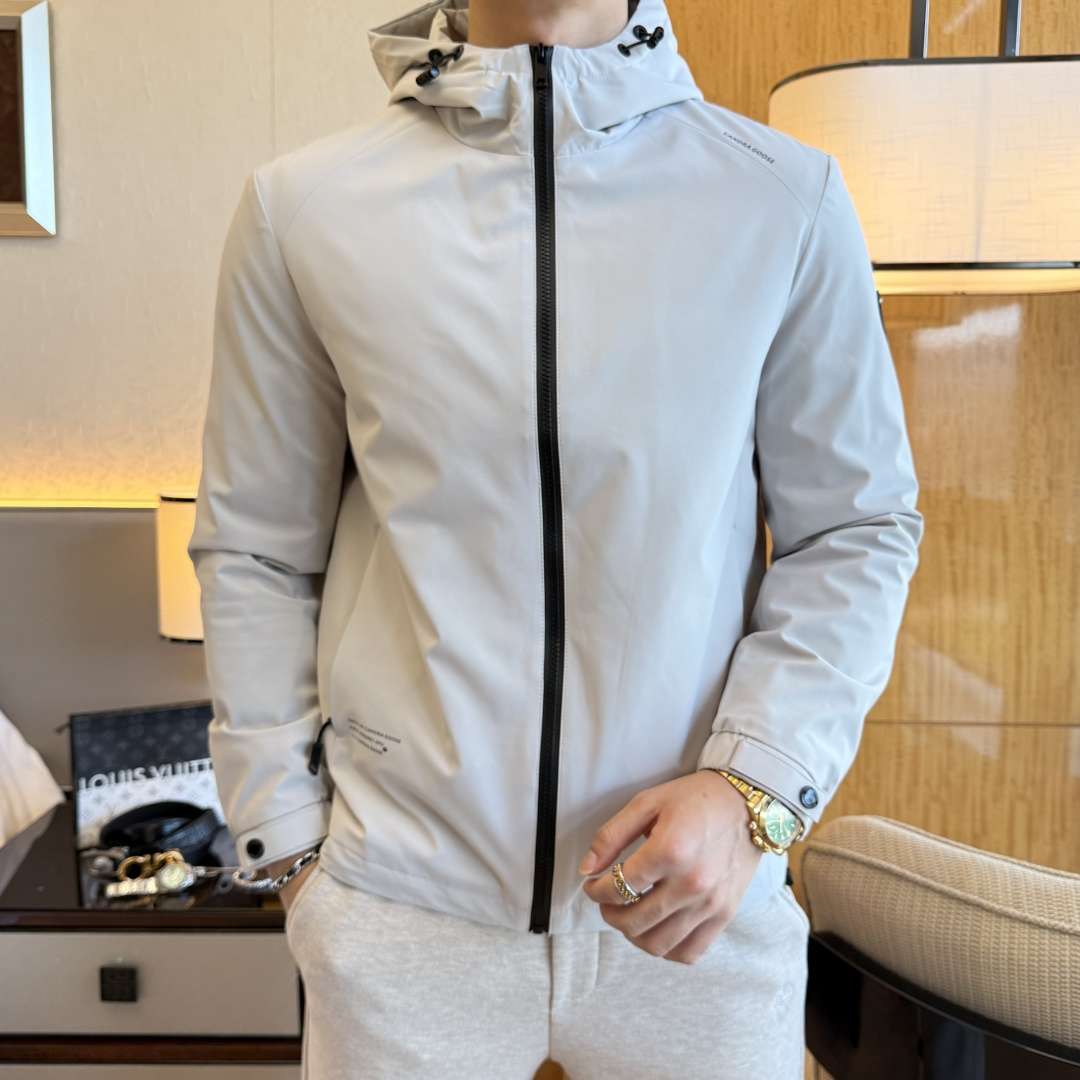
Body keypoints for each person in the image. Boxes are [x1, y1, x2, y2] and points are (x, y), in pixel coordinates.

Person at [188, 0, 923, 1075]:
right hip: (401, 915)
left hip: (698, 910)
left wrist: (753, 794)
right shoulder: (305, 208)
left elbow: (854, 527)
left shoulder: (781, 198)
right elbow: (256, 546)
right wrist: (291, 846)